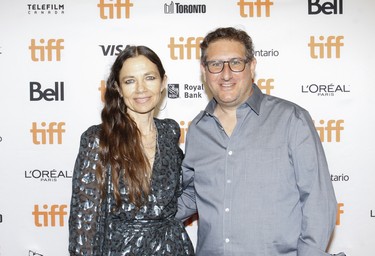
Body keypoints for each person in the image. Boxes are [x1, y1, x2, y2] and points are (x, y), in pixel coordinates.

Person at [176, 27, 338, 255]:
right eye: (215, 64)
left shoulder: (291, 119)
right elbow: (194, 193)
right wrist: (142, 217)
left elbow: (318, 202)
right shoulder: (197, 129)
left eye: (235, 63)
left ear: (252, 66)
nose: (225, 74)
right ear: (204, 70)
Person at [69, 45, 194, 255]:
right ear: (118, 88)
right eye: (130, 81)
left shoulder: (169, 132)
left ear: (163, 82)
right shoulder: (99, 139)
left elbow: (177, 196)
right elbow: (85, 223)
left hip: (173, 248)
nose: (141, 89)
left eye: (150, 78)